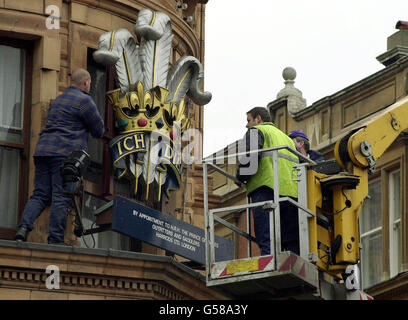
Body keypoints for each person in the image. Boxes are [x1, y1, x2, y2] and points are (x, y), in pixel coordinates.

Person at [14, 68, 105, 245]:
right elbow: (99, 130)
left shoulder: (58, 100)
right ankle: (55, 239)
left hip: (43, 151)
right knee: (62, 195)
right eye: (89, 84)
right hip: (65, 154)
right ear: (86, 82)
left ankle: (23, 228)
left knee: (40, 194)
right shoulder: (85, 101)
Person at [236, 107, 300, 256]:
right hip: (291, 194)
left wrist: (240, 178)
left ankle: (269, 264)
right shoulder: (287, 139)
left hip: (266, 189)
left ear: (258, 119)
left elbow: (251, 161)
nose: (247, 125)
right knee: (290, 242)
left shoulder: (257, 131)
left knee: (267, 239)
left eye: (249, 120)